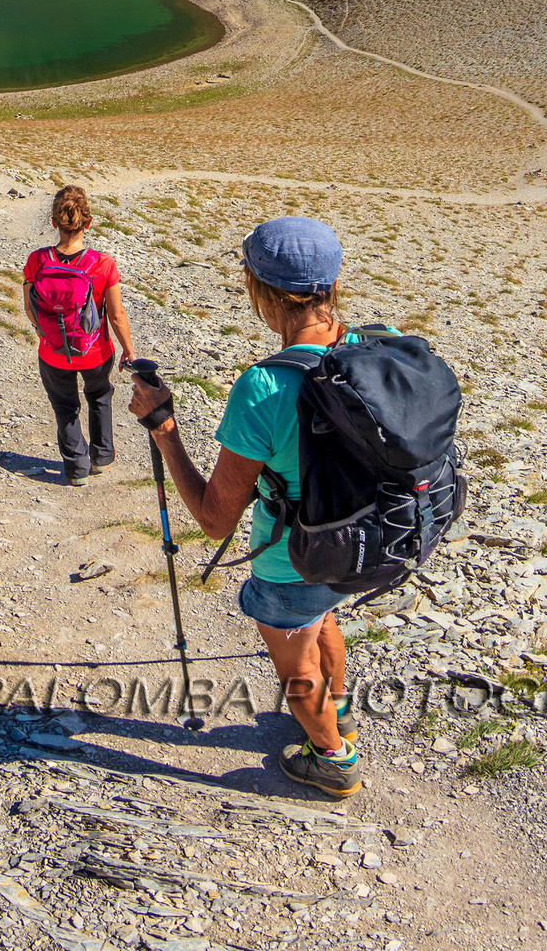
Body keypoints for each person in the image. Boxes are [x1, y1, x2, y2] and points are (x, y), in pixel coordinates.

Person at [126, 215, 363, 798]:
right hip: (360, 542)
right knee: (324, 617)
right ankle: (340, 710)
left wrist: (164, 429)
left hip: (291, 556)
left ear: (264, 292)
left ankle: (332, 756)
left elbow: (213, 520)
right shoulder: (366, 350)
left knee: (293, 661)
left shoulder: (264, 387)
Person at [24, 185, 135, 485]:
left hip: (53, 352)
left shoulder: (38, 261)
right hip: (95, 352)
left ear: (54, 223)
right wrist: (128, 350)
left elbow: (30, 306)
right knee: (99, 395)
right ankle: (101, 457)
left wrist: (42, 333)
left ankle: (76, 469)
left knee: (64, 406)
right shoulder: (103, 264)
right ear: (88, 222)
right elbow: (116, 315)